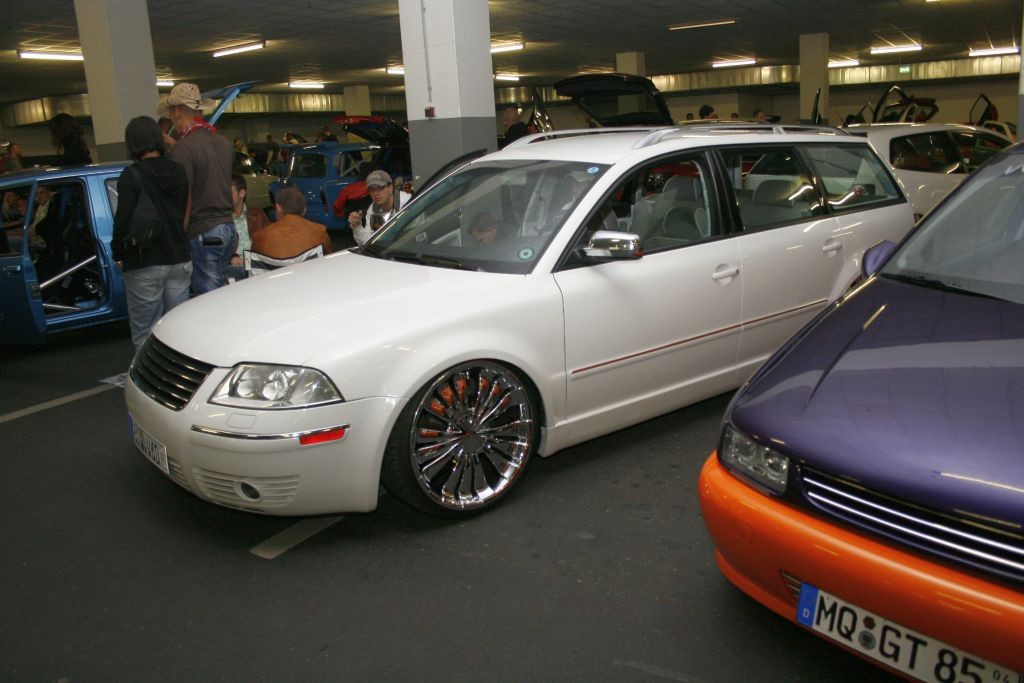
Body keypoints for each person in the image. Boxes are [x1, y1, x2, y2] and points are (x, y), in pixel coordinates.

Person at [110, 116, 191, 349]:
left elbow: (122, 221)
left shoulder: (131, 175)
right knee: (177, 332)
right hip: (179, 257)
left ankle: (148, 372)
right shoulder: (179, 171)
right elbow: (184, 210)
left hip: (144, 261)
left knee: (145, 334)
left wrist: (118, 252)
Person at [158, 82, 235, 296]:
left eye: (171, 114)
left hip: (203, 231)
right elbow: (208, 171)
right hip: (227, 228)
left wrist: (178, 235)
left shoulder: (184, 148)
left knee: (207, 299)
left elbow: (185, 195)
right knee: (219, 290)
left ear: (176, 111)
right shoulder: (223, 142)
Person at [251, 186, 332, 259]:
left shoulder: (260, 237)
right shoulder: (320, 231)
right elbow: (327, 260)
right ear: (305, 210)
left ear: (278, 208)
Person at [224, 174, 271, 281]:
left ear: (242, 193)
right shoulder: (222, 219)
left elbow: (269, 242)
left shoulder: (257, 214)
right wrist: (232, 257)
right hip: (233, 266)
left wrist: (250, 261)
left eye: (229, 193)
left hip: (255, 265)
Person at [348, 170, 411, 245]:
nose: (375, 193)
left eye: (380, 188)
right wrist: (357, 226)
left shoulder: (407, 202)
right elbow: (368, 241)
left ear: (390, 188)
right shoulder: (372, 209)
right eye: (372, 189)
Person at [331, 161, 372, 236]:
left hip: (353, 223)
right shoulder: (375, 189)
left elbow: (337, 206)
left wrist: (343, 214)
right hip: (372, 222)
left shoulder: (348, 189)